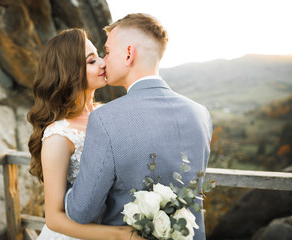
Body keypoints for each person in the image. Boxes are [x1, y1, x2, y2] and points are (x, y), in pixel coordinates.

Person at [65, 13, 213, 240]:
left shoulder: (105, 119)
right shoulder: (200, 114)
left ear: (128, 54)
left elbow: (81, 212)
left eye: (108, 51)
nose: (104, 60)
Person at [28, 28, 144, 240]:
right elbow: (54, 219)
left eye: (100, 56)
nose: (102, 63)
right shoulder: (59, 135)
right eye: (91, 61)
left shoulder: (105, 112)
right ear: (70, 72)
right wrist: (120, 235)